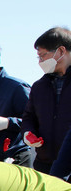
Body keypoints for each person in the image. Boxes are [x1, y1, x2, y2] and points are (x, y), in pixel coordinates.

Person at [20, 27, 71, 174]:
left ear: (61, 51)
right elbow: (29, 116)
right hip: (45, 164)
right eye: (38, 58)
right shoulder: (39, 86)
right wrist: (28, 133)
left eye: (43, 56)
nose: (40, 62)